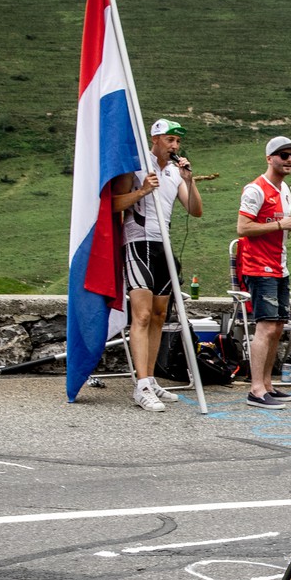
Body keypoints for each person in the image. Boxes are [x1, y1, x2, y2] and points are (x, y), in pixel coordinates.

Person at [110, 118, 204, 412]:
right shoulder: (137, 166)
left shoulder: (176, 172)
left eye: (177, 141)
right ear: (155, 139)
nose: (174, 146)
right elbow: (114, 203)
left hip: (163, 246)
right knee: (142, 314)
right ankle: (140, 385)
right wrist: (141, 191)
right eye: (169, 140)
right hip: (139, 242)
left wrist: (189, 180)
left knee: (160, 315)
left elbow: (195, 210)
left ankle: (150, 379)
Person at [236, 136, 291, 409]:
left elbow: (278, 222)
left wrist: (290, 223)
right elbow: (243, 228)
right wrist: (280, 225)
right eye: (283, 155)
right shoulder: (255, 190)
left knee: (277, 326)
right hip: (258, 265)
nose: (288, 160)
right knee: (265, 326)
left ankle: (267, 383)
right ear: (269, 158)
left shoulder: (285, 189)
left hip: (280, 265)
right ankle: (255, 389)